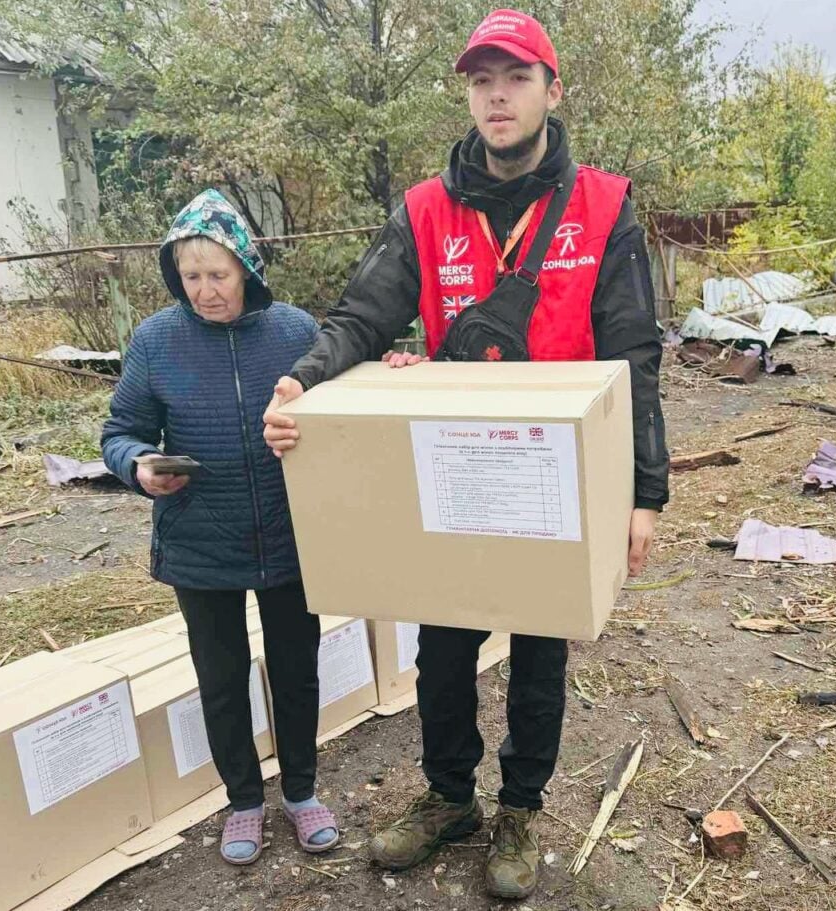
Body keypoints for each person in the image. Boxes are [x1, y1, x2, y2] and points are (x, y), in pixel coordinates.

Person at [263, 9, 669, 899]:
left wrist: (644, 495)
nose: (497, 95)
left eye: (516, 77)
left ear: (551, 91)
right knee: (441, 647)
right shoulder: (425, 209)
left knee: (539, 651)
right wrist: (303, 381)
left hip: (552, 481)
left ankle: (519, 809)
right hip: (453, 473)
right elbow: (363, 315)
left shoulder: (603, 206)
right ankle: (450, 796)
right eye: (482, 80)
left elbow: (636, 353)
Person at [102, 189, 339, 866]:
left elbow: (340, 405)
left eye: (218, 275)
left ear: (248, 268)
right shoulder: (156, 340)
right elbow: (121, 431)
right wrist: (139, 465)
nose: (204, 291)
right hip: (199, 539)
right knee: (221, 674)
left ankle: (300, 791)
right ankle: (243, 800)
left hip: (290, 535)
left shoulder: (294, 331)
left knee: (296, 669)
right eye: (191, 277)